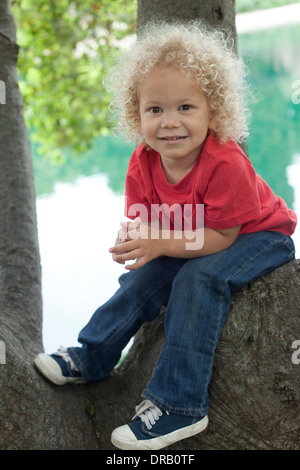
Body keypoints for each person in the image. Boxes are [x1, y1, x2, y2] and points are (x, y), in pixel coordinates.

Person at [34, 21, 297, 450]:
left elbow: (222, 237)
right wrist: (137, 242)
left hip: (255, 236)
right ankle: (93, 354)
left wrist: (161, 241)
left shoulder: (224, 162)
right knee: (141, 279)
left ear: (213, 111)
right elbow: (145, 226)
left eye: (185, 108)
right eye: (155, 109)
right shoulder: (142, 163)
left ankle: (180, 406)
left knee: (198, 280)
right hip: (200, 235)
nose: (169, 123)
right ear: (135, 115)